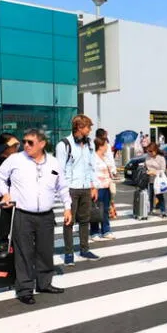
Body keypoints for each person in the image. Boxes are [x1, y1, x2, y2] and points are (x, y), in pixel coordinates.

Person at [0, 129, 72, 305]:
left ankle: (44, 283)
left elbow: (62, 186)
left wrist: (67, 207)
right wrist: (5, 193)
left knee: (45, 251)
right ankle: (25, 289)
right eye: (24, 141)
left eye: (30, 142)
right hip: (22, 214)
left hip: (46, 215)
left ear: (42, 144)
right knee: (24, 253)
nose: (25, 145)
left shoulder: (53, 162)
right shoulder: (15, 159)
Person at [56, 114, 101, 266]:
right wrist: (63, 192)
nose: (90, 130)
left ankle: (84, 249)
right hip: (71, 188)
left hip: (86, 187)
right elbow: (60, 171)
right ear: (80, 127)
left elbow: (92, 166)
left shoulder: (89, 144)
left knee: (85, 220)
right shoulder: (64, 145)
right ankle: (68, 253)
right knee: (69, 221)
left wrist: (93, 186)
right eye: (88, 127)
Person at [90, 137, 116, 241]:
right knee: (96, 210)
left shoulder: (106, 157)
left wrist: (113, 172)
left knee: (105, 209)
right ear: (100, 146)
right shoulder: (92, 157)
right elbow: (90, 173)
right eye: (106, 144)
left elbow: (112, 169)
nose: (107, 147)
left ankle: (106, 230)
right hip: (97, 187)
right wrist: (92, 187)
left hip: (107, 186)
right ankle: (94, 232)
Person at [145, 142, 167, 218]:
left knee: (159, 196)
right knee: (150, 196)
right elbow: (146, 165)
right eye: (148, 151)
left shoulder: (161, 158)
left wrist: (154, 172)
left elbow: (163, 170)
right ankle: (150, 209)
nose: (149, 153)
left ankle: (163, 211)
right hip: (150, 179)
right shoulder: (148, 156)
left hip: (158, 180)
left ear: (155, 150)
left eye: (151, 151)